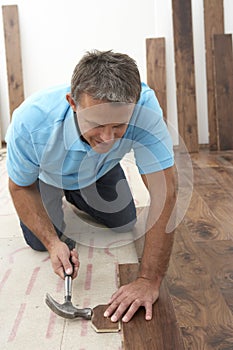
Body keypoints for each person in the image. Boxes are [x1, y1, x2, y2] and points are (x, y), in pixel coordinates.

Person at [6, 50, 176, 323]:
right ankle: (61, 198)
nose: (108, 138)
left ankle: (76, 195)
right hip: (47, 177)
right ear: (72, 102)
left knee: (124, 221)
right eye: (96, 124)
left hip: (99, 171)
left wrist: (148, 279)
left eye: (119, 125)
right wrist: (53, 244)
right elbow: (19, 187)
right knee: (38, 241)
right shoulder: (31, 121)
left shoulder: (145, 109)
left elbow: (164, 192)